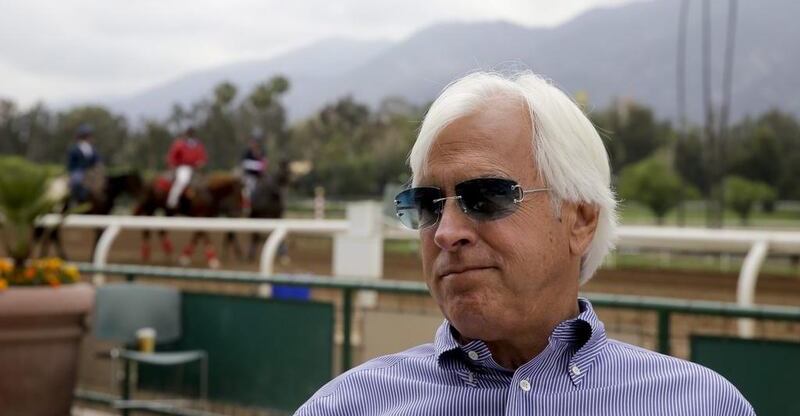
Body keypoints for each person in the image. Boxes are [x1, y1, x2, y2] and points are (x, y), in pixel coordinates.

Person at [295, 72, 754, 415]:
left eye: (486, 197)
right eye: (428, 203)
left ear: (581, 219)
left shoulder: (700, 404)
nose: (446, 231)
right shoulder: (346, 406)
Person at [166, 126, 207, 211]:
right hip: (183, 167)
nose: (190, 135)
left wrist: (201, 163)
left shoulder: (198, 145)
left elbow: (202, 157)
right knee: (182, 180)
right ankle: (172, 201)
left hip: (195, 169)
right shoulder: (179, 144)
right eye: (189, 133)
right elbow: (172, 156)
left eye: (191, 133)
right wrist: (172, 165)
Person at [66, 123, 102, 205]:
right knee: (77, 181)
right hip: (78, 171)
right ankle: (74, 200)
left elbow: (97, 161)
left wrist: (97, 169)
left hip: (91, 172)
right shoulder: (74, 149)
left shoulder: (93, 149)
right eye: (87, 136)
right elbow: (71, 164)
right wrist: (71, 173)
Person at [241, 128, 268, 213]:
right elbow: (244, 164)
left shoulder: (262, 151)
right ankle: (246, 209)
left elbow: (264, 164)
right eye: (255, 140)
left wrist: (261, 167)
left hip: (260, 177)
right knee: (247, 192)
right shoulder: (247, 151)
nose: (256, 142)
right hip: (249, 176)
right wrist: (257, 165)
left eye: (258, 140)